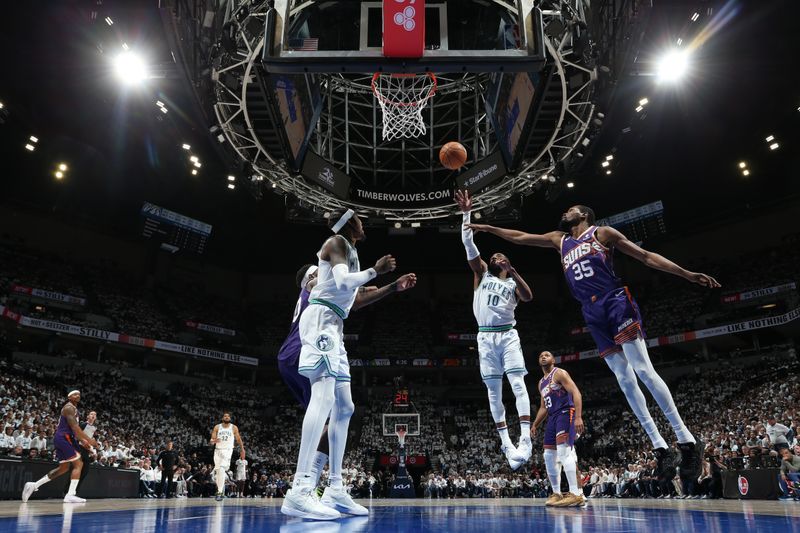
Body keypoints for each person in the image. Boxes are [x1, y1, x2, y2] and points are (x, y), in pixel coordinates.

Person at [466, 203, 720, 481]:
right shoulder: (559, 240)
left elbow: (645, 256)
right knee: (624, 380)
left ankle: (686, 440)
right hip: (590, 310)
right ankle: (661, 448)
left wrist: (686, 273)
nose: (565, 212)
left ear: (585, 215)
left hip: (614, 300)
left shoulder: (602, 234)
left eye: (571, 209)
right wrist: (488, 228)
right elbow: (520, 237)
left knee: (643, 370)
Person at [281, 209, 416, 520]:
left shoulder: (350, 251)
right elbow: (343, 283)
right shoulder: (336, 242)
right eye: (358, 218)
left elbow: (355, 297)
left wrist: (393, 286)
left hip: (336, 326)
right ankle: (299, 490)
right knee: (324, 398)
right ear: (347, 223)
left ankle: (335, 487)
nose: (363, 222)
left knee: (345, 407)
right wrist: (376, 270)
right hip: (320, 321)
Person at [455, 190, 534, 469]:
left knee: (517, 384)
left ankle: (525, 437)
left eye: (502, 255)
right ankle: (506, 443)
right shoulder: (481, 274)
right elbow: (467, 243)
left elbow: (528, 297)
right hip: (486, 337)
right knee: (493, 392)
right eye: (495, 255)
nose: (497, 256)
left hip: (508, 335)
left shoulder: (512, 282)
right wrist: (467, 213)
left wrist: (512, 271)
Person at [22, 390, 98, 503]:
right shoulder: (69, 408)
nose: (78, 396)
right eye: (74, 394)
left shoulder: (74, 409)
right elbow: (75, 428)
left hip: (65, 438)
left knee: (64, 468)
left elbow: (75, 431)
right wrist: (90, 440)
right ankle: (70, 494)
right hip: (64, 438)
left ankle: (33, 485)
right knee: (79, 463)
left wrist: (83, 441)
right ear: (69, 397)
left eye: (79, 394)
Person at [532, 351, 585, 507]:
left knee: (564, 452)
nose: (543, 356)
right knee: (548, 455)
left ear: (553, 360)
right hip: (552, 417)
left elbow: (576, 392)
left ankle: (575, 493)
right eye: (540, 355)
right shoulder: (541, 383)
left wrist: (578, 416)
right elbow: (543, 407)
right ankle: (557, 493)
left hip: (565, 412)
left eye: (547, 355)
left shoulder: (559, 373)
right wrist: (535, 424)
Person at [210, 412, 245, 501]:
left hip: (227, 450)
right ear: (222, 418)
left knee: (221, 468)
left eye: (228, 416)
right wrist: (213, 441)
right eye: (225, 416)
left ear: (230, 418)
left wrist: (242, 449)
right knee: (218, 471)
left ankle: (219, 492)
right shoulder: (217, 427)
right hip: (217, 451)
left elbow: (238, 439)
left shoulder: (233, 427)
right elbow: (212, 440)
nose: (226, 417)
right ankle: (220, 491)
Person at [77, 411, 98, 491]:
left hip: (86, 449)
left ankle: (75, 491)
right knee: (77, 469)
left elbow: (90, 439)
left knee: (85, 471)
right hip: (79, 448)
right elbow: (77, 435)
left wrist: (91, 449)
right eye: (92, 414)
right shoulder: (83, 424)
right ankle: (68, 491)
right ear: (88, 416)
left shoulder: (94, 428)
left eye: (95, 415)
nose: (93, 415)